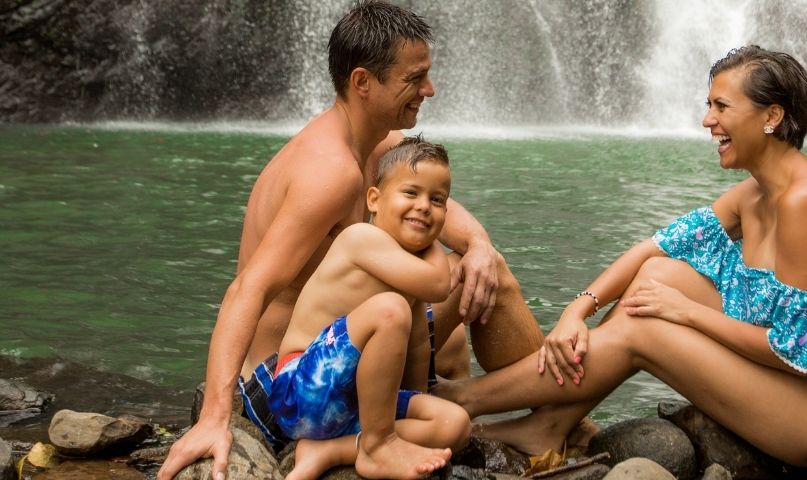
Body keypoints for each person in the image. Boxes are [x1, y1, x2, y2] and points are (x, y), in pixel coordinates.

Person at [434, 45, 807, 466]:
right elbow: (653, 249)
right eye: (709, 106)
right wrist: (577, 309)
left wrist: (686, 314)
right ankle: (550, 426)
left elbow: (798, 353)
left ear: (771, 116)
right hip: (797, 385)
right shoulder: (754, 195)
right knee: (657, 274)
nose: (708, 121)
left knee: (646, 326)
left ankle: (465, 398)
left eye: (721, 106)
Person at [158, 3, 543, 479]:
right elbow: (247, 289)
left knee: (481, 269)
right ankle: (545, 424)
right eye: (415, 77)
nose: (429, 89)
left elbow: (441, 208)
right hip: (298, 384)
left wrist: (479, 244)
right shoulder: (331, 172)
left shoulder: (376, 145)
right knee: (470, 282)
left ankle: (522, 422)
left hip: (349, 357)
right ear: (363, 82)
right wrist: (214, 417)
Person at [270, 136, 470, 480]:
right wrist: (434, 243)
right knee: (391, 309)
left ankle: (331, 451)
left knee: (456, 423)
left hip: (358, 403)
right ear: (374, 200)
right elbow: (440, 284)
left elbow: (418, 344)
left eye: (437, 200)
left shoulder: (410, 269)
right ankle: (378, 447)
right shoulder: (360, 238)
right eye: (411, 193)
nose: (424, 206)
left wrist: (416, 401)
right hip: (303, 389)